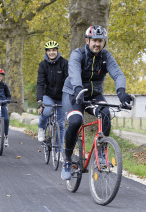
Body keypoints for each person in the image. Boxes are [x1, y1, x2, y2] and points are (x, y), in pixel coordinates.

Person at [61, 25, 133, 180]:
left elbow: (118, 74)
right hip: (73, 93)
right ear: (87, 40)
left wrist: (121, 92)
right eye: (94, 40)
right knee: (75, 121)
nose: (97, 44)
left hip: (94, 95)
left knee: (105, 113)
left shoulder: (106, 56)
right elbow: (73, 71)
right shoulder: (77, 54)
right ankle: (67, 159)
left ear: (103, 42)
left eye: (100, 41)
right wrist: (78, 88)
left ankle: (101, 154)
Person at [36, 41, 68, 162]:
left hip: (62, 96)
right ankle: (41, 128)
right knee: (46, 110)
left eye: (53, 50)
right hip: (48, 94)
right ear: (46, 52)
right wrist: (40, 101)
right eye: (49, 50)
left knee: (60, 124)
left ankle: (59, 152)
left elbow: (68, 80)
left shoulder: (65, 63)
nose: (51, 52)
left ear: (57, 51)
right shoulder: (43, 65)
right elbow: (40, 83)